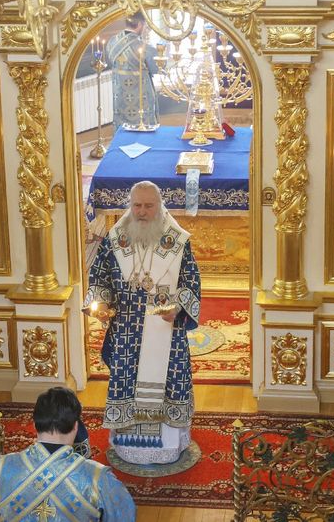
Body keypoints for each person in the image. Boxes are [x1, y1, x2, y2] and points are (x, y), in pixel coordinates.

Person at [85, 181, 200, 465]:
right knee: (128, 380)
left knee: (169, 380)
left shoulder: (177, 241)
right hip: (126, 327)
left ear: (160, 206)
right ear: (130, 205)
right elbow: (99, 278)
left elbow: (191, 282)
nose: (142, 212)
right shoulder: (115, 240)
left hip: (166, 329)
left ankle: (169, 445)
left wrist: (179, 308)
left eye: (149, 206)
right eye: (137, 205)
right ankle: (128, 446)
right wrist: (101, 305)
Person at [0, 387, 135, 521]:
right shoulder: (98, 478)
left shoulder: (1, 468)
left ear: (35, 425)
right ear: (76, 427)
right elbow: (124, 516)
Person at [106, 13, 159, 129]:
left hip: (120, 93)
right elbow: (155, 69)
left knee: (123, 125)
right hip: (141, 95)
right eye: (145, 26)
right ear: (140, 24)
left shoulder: (112, 42)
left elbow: (111, 62)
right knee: (143, 123)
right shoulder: (144, 47)